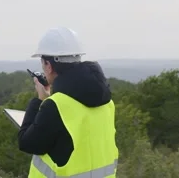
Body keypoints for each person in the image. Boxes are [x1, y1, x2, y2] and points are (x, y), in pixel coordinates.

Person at [18, 27, 119, 178]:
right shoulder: (107, 102)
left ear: (49, 65)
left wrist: (39, 100)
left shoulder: (55, 106)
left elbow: (27, 143)